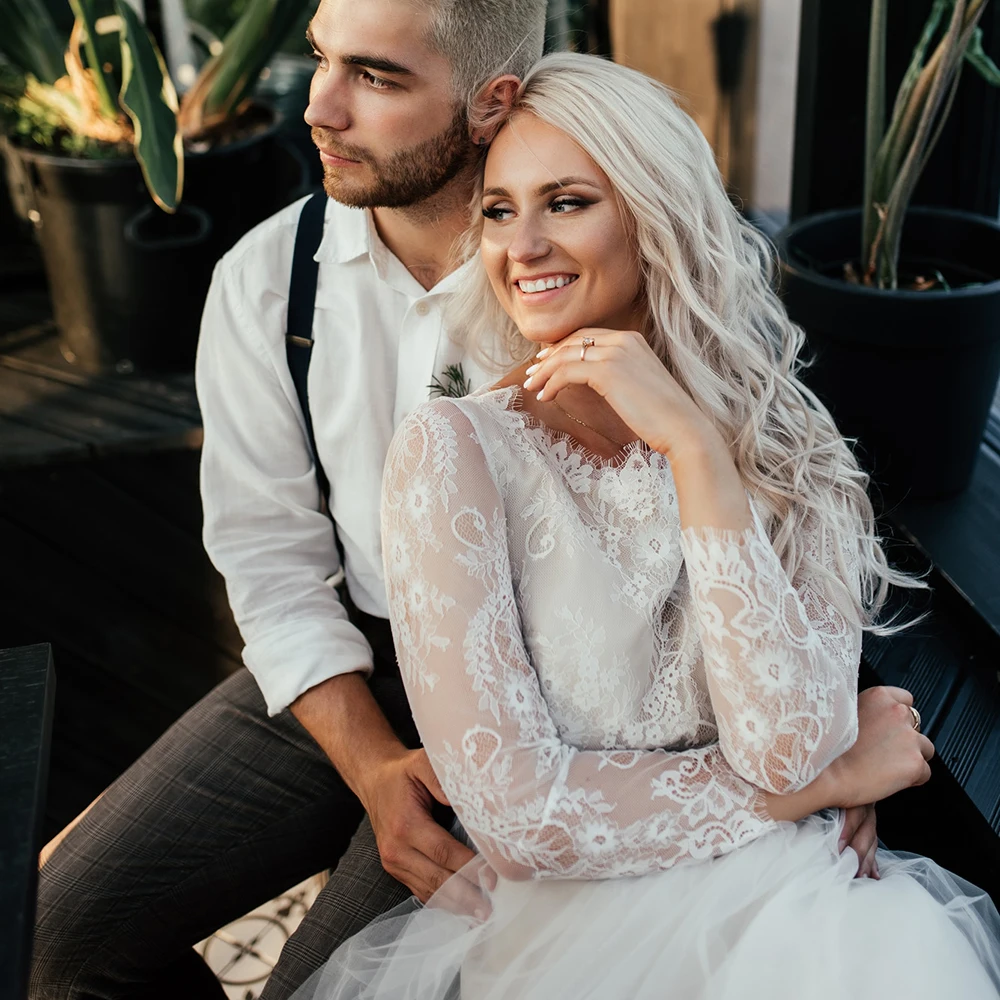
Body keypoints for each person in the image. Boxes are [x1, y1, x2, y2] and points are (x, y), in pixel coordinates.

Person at [289, 52, 1000, 1000]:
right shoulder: (453, 452)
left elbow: (788, 739)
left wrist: (698, 453)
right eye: (499, 210)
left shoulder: (786, 434)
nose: (522, 244)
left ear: (654, 214)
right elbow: (519, 821)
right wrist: (822, 789)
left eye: (568, 201)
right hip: (579, 924)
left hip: (799, 903)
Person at [28, 1, 551, 997]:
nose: (319, 106)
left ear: (491, 103)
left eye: (376, 77)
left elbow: (750, 475)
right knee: (57, 940)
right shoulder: (268, 281)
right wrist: (370, 767)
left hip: (538, 698)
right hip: (358, 650)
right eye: (319, 57)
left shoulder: (587, 261)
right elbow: (270, 559)